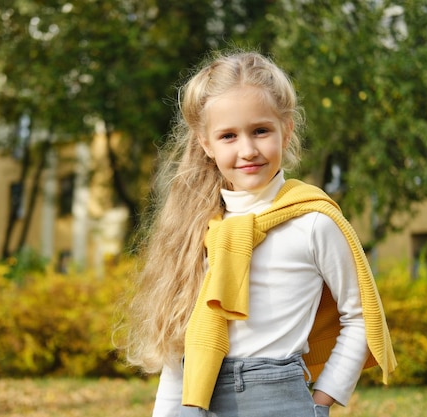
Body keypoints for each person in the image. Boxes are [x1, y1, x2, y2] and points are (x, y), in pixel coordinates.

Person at [121, 50, 396, 417]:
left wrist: (322, 402)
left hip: (279, 399)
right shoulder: (196, 229)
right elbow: (180, 339)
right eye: (228, 136)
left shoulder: (313, 221)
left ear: (287, 130)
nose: (247, 150)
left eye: (260, 131)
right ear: (206, 144)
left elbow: (360, 316)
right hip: (196, 399)